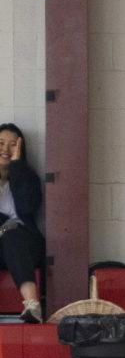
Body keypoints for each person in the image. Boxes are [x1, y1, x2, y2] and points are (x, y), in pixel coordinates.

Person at [0, 124, 44, 323]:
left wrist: (17, 167)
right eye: (1, 144)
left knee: (12, 234)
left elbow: (27, 208)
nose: (6, 150)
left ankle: (32, 305)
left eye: (12, 145)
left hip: (27, 244)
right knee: (7, 233)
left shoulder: (28, 177)